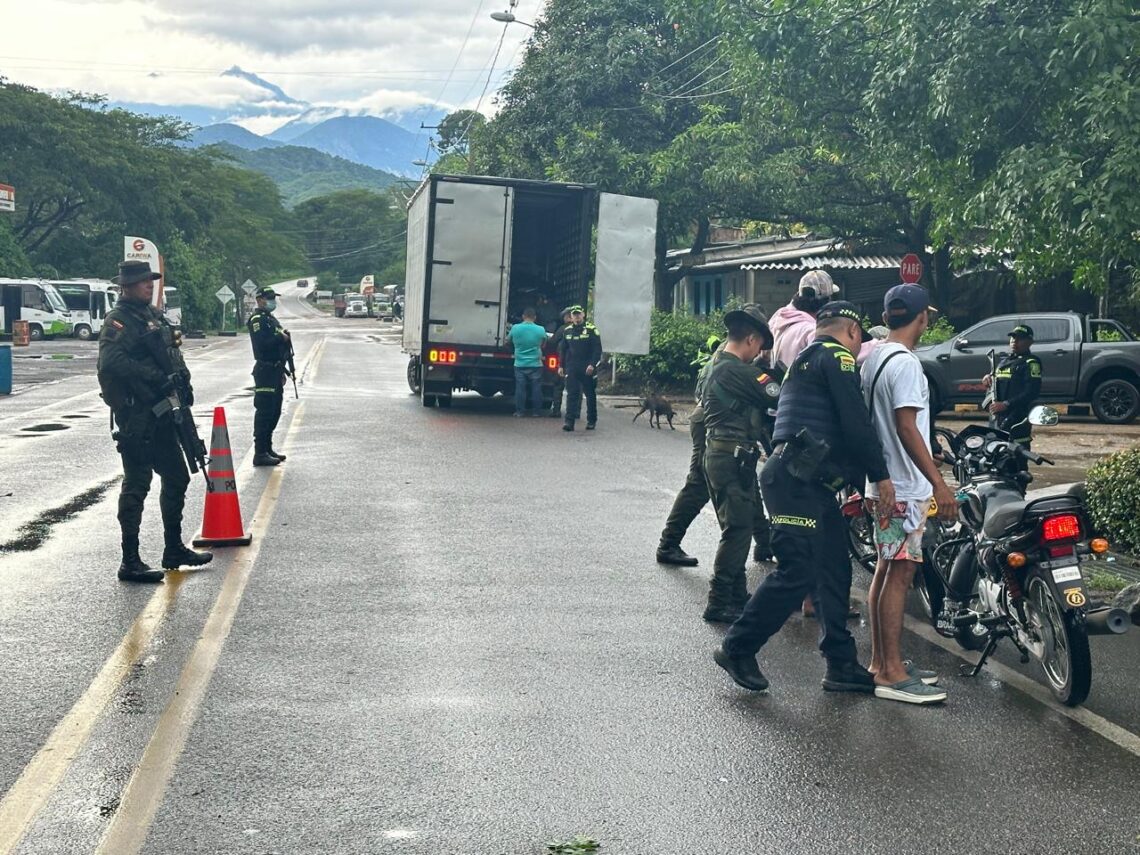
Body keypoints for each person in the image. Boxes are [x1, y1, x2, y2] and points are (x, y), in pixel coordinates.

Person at [713, 302, 895, 693]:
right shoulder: (838, 358)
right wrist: (880, 479)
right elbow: (855, 424)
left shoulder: (807, 357)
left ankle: (841, 664)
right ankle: (737, 647)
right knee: (799, 570)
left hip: (806, 481)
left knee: (833, 569)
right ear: (853, 331)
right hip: (796, 484)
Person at [861, 285, 957, 705]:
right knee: (899, 574)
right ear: (923, 318)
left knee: (886, 570)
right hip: (902, 487)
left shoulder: (875, 357)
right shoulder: (907, 365)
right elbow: (906, 427)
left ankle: (882, 663)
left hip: (883, 482)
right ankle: (893, 673)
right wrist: (938, 482)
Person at [97, 260, 213, 583]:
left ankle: (173, 548)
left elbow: (171, 351)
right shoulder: (118, 321)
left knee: (177, 476)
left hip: (163, 415)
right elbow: (111, 363)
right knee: (137, 485)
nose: (150, 286)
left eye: (151, 281)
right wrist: (154, 378)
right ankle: (130, 561)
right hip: (136, 417)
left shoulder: (153, 316)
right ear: (127, 286)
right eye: (144, 282)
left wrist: (182, 380)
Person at [656, 334, 777, 568]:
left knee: (745, 480)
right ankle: (668, 543)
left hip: (709, 421)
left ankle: (764, 542)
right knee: (700, 484)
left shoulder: (722, 354)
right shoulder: (737, 359)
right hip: (715, 425)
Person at [696, 305, 776, 622]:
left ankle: (737, 595)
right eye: (759, 347)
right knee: (738, 530)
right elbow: (776, 394)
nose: (759, 354)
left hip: (719, 453)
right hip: (731, 455)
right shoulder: (738, 371)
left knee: (737, 525)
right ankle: (718, 601)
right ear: (752, 339)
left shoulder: (712, 367)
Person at [247, 286, 292, 466]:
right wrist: (281, 338)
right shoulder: (258, 320)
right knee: (265, 411)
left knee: (275, 410)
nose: (272, 301)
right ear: (259, 300)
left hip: (275, 370)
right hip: (265, 371)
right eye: (269, 298)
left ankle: (267, 447)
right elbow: (263, 344)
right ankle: (260, 453)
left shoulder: (270, 319)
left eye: (273, 298)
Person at [983, 324, 1042, 452]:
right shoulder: (1004, 361)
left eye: (1020, 338)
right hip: (997, 417)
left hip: (1018, 418)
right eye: (1013, 338)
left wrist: (1006, 404)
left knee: (1016, 458)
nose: (1014, 341)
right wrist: (988, 378)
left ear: (1030, 342)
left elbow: (1032, 392)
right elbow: (996, 382)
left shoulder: (1031, 363)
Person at [558, 305, 602, 432]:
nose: (576, 317)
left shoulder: (592, 330)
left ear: (583, 315)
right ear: (571, 317)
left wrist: (592, 365)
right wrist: (561, 365)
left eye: (578, 314)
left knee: (590, 395)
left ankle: (591, 421)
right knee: (572, 394)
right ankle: (569, 422)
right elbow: (563, 350)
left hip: (587, 366)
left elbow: (597, 350)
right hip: (572, 366)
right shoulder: (567, 331)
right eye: (574, 314)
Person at [506, 307, 548, 417]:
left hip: (519, 363)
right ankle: (536, 412)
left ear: (523, 317)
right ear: (535, 318)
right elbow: (544, 344)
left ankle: (520, 411)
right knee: (536, 388)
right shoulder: (541, 329)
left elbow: (507, 341)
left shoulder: (515, 328)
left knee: (520, 388)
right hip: (536, 363)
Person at [547, 307, 573, 418]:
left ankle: (556, 411)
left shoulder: (563, 329)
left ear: (567, 317)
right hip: (577, 362)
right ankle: (574, 412)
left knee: (558, 385)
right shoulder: (584, 329)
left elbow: (553, 342)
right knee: (576, 388)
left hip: (564, 361)